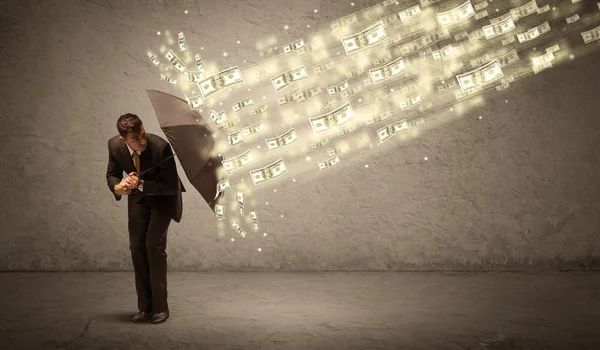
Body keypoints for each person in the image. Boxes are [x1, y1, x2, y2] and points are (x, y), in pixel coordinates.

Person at [106, 113, 186, 324]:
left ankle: (161, 309)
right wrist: (117, 186)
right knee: (136, 248)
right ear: (124, 140)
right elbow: (112, 174)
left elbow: (171, 186)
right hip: (138, 200)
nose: (142, 141)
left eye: (142, 135)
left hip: (163, 200)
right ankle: (145, 308)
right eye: (135, 139)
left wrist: (140, 184)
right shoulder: (114, 145)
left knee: (153, 246)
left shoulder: (161, 148)